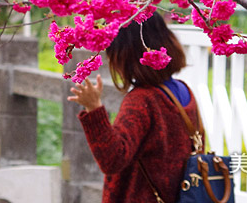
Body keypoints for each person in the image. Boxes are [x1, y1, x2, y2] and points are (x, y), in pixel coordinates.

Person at [67, 13, 201, 203]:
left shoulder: (142, 101)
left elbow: (113, 159)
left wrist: (94, 109)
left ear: (126, 54)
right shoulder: (184, 92)